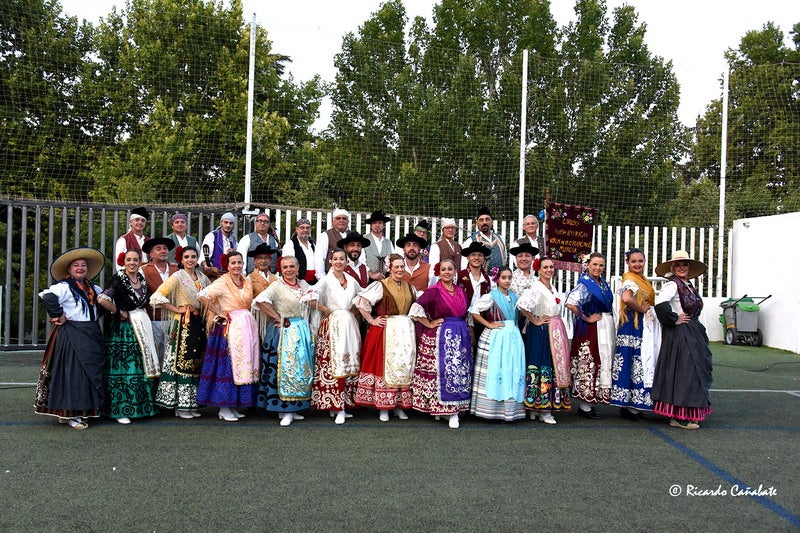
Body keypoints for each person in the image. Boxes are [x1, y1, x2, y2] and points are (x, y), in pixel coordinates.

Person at [35, 248, 106, 430]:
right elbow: (47, 296)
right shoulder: (64, 287)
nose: (80, 268)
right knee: (74, 374)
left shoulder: (94, 288)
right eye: (76, 265)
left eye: (83, 265)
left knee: (89, 373)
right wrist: (59, 314)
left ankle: (81, 410)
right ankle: (71, 414)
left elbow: (103, 304)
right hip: (72, 334)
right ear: (69, 269)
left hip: (90, 333)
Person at [652, 250, 713, 430]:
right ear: (672, 267)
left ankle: (687, 412)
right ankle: (678, 416)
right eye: (678, 264)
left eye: (684, 264)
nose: (681, 267)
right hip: (681, 333)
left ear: (689, 267)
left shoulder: (688, 285)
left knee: (693, 371)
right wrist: (674, 319)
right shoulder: (672, 285)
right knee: (684, 371)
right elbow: (660, 304)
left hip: (693, 331)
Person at [196, 251, 259, 422]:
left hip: (246, 325)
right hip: (229, 328)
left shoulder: (246, 281)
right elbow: (202, 295)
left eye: (239, 262)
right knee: (228, 366)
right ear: (227, 265)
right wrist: (219, 312)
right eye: (233, 263)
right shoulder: (222, 282)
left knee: (243, 365)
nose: (237, 266)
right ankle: (223, 407)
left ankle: (234, 404)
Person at [98, 250, 159, 424]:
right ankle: (120, 409)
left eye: (135, 260)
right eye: (129, 260)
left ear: (140, 261)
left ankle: (142, 407)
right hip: (124, 329)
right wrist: (119, 312)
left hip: (141, 325)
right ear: (123, 261)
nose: (132, 263)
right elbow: (102, 299)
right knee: (125, 366)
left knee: (141, 364)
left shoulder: (140, 278)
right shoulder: (118, 279)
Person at [409, 258, 472, 428]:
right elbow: (416, 308)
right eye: (443, 269)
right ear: (438, 272)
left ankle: (456, 408)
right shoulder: (433, 291)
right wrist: (429, 323)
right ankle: (446, 411)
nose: (446, 272)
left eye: (450, 269)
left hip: (460, 334)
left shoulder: (460, 291)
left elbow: (466, 313)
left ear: (454, 272)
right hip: (441, 335)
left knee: (458, 371)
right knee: (444, 372)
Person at [150, 246, 211, 418]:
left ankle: (191, 403)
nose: (190, 260)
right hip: (183, 323)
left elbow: (211, 295)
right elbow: (157, 296)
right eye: (186, 257)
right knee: (181, 363)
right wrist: (176, 309)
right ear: (181, 260)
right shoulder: (177, 276)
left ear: (197, 258)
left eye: (193, 256)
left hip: (198, 323)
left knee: (195, 362)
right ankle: (179, 405)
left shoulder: (202, 277)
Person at [354, 253, 416, 422]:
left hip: (404, 333)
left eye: (402, 267)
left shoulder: (409, 287)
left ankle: (398, 405)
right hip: (386, 331)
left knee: (402, 367)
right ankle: (383, 407)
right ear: (389, 268)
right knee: (384, 367)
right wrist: (372, 320)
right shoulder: (381, 285)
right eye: (396, 267)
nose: (399, 270)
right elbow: (361, 302)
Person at [254, 256, 314, 426]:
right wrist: (277, 317)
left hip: (300, 331)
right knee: (283, 370)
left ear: (298, 267)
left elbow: (314, 302)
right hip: (284, 332)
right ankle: (283, 409)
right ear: (280, 269)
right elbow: (260, 301)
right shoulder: (277, 285)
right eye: (285, 267)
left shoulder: (304, 285)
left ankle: (295, 408)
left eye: (292, 266)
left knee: (300, 370)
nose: (289, 270)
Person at [305, 249, 362, 424]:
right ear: (330, 261)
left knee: (350, 363)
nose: (338, 262)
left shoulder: (352, 280)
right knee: (333, 364)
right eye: (335, 259)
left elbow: (362, 297)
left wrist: (354, 309)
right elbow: (308, 297)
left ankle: (344, 403)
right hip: (332, 326)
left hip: (350, 325)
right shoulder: (325, 281)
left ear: (346, 262)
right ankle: (336, 407)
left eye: (342, 259)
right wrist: (325, 309)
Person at [517, 257, 572, 424]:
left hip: (553, 330)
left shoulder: (551, 287)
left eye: (551, 267)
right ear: (538, 270)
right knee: (542, 364)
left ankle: (540, 408)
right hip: (542, 331)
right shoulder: (536, 287)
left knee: (551, 364)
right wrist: (535, 320)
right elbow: (523, 305)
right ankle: (543, 408)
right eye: (545, 267)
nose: (549, 270)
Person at [469, 266, 526, 422]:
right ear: (497, 279)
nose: (507, 281)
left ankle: (510, 411)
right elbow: (474, 310)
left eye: (509, 278)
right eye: (503, 278)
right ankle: (491, 410)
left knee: (511, 369)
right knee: (497, 368)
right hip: (497, 336)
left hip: (513, 336)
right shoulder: (491, 296)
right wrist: (489, 324)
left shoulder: (516, 296)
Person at [610, 248, 661, 420]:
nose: (637, 264)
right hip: (632, 325)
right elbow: (626, 298)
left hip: (639, 325)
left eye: (640, 261)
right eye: (634, 261)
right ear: (627, 263)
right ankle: (631, 406)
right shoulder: (630, 278)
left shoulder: (641, 279)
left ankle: (630, 405)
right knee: (635, 361)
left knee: (637, 362)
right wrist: (641, 309)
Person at [566, 252, 615, 419]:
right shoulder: (584, 284)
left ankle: (590, 402)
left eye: (601, 265)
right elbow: (571, 303)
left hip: (603, 327)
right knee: (589, 361)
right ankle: (584, 405)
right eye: (595, 264)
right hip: (590, 328)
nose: (598, 268)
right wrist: (586, 317)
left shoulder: (602, 283)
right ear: (588, 265)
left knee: (599, 360)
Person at [141, 237, 178, 366]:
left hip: (174, 319)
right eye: (158, 249)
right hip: (154, 319)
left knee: (172, 355)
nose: (163, 251)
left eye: (165, 248)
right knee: (155, 354)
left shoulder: (177, 269)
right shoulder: (144, 270)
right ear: (151, 254)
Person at [458, 241, 492, 345]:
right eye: (473, 255)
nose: (476, 258)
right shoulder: (458, 276)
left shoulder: (487, 279)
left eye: (480, 255)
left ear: (484, 258)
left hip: (482, 321)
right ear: (468, 257)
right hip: (463, 321)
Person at [461, 207, 507, 273]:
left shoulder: (500, 238)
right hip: (480, 281)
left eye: (487, 219)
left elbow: (504, 258)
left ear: (492, 222)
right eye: (481, 220)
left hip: (498, 280)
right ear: (477, 223)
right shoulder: (470, 240)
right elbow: (464, 264)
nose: (484, 222)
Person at [314, 208, 351, 280]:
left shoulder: (353, 235)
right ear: (333, 221)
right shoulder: (325, 235)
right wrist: (322, 278)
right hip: (331, 277)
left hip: (350, 277)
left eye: (344, 218)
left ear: (348, 221)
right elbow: (319, 258)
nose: (341, 220)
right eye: (338, 218)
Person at [201, 212, 238, 277]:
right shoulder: (212, 236)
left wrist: (233, 253)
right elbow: (203, 256)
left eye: (231, 223)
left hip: (229, 275)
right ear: (221, 223)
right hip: (214, 275)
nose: (228, 225)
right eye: (225, 222)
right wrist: (207, 267)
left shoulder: (234, 240)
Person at [282, 218, 316, 284]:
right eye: (302, 228)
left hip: (313, 281)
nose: (305, 230)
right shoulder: (290, 244)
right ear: (297, 229)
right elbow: (287, 265)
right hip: (298, 282)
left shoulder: (312, 244)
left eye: (307, 228)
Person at [363, 210, 394, 281]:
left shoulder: (388, 242)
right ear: (371, 225)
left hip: (386, 279)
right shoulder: (364, 240)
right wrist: (371, 275)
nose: (377, 225)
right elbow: (361, 262)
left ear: (384, 225)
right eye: (374, 223)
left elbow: (393, 260)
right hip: (368, 279)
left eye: (380, 223)